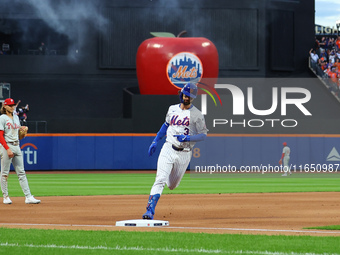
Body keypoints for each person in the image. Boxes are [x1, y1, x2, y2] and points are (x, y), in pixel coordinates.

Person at [142, 83, 208, 220]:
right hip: (168, 148)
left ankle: (165, 177)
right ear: (181, 94)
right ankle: (150, 210)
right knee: (159, 180)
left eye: (189, 96)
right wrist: (155, 141)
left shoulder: (197, 115)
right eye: (185, 94)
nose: (186, 97)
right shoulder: (172, 109)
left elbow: (203, 135)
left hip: (184, 153)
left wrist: (188, 137)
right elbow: (165, 125)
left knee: (172, 185)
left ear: (193, 98)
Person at [0, 98, 41, 204]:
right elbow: (0, 136)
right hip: (7, 146)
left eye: (13, 105)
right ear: (5, 106)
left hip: (17, 145)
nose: (12, 106)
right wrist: (7, 149)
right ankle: (5, 197)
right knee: (5, 173)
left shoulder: (16, 118)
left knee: (21, 172)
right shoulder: (2, 118)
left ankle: (28, 197)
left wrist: (22, 131)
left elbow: (17, 135)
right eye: (10, 105)